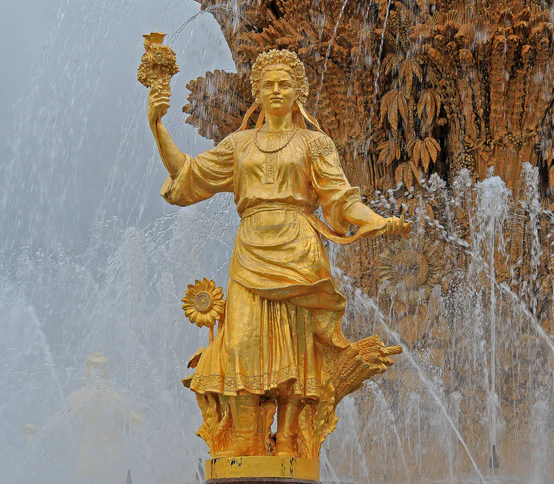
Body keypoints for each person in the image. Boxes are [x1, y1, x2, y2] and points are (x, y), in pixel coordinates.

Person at [148, 49, 410, 457]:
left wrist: (374, 219)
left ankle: (288, 437)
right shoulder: (239, 145)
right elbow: (188, 173)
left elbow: (340, 197)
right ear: (257, 91)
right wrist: (156, 124)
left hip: (298, 249)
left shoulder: (314, 143)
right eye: (268, 84)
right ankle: (244, 436)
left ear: (297, 91)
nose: (275, 90)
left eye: (284, 84)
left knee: (297, 345)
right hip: (251, 247)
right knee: (239, 342)